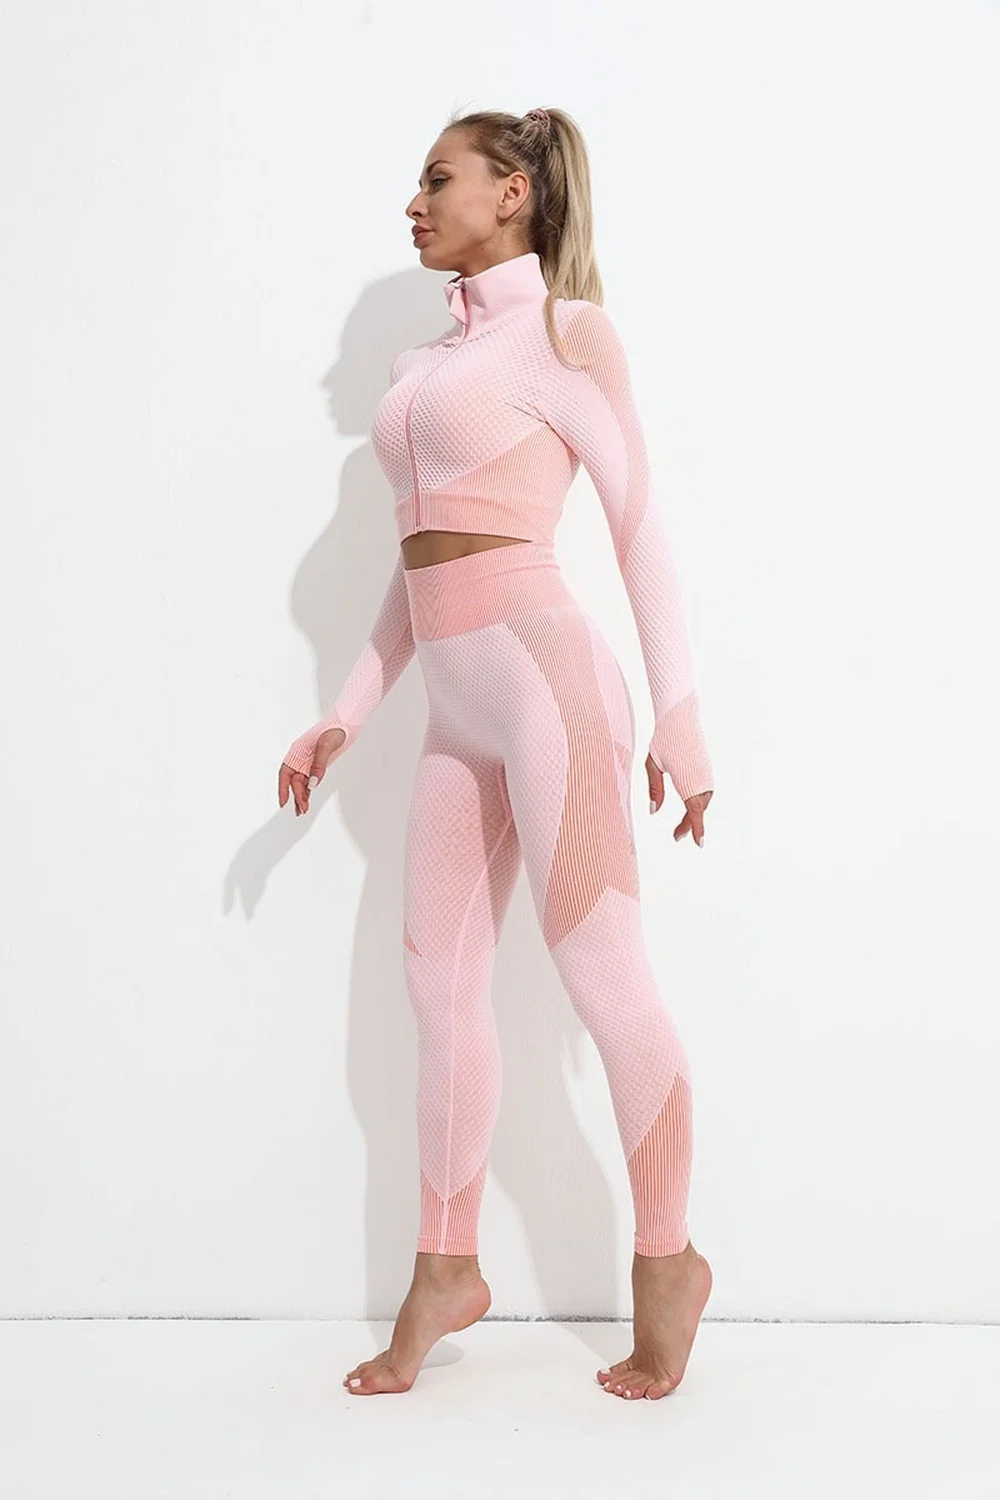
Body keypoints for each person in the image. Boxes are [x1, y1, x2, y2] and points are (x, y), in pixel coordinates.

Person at [278, 106, 715, 1402]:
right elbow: (418, 564)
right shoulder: (424, 362)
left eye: (438, 178)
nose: (413, 203)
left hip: (548, 691)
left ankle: (668, 1261)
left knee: (602, 977)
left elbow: (638, 524)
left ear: (513, 191)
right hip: (454, 716)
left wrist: (680, 711)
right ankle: (446, 1267)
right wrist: (347, 709)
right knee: (439, 991)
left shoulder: (568, 334)